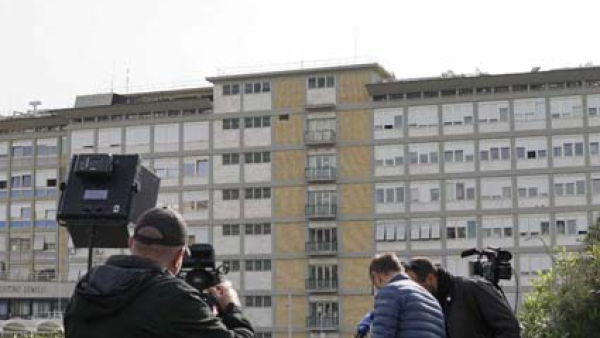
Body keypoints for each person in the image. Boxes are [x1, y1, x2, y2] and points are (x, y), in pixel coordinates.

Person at [64, 207, 255, 338]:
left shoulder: (88, 283)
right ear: (179, 256)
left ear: (131, 243)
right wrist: (232, 308)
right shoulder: (173, 296)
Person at [404, 257, 520, 338]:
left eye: (415, 286)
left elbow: (509, 327)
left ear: (430, 279)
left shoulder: (471, 288)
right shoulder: (427, 305)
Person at [369, 252, 445, 338]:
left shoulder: (390, 292)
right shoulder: (433, 301)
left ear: (377, 276)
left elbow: (382, 334)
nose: (379, 290)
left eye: (377, 286)